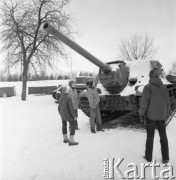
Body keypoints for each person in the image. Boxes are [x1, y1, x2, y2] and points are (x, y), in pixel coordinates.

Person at [139, 68, 170, 164]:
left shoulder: (148, 87)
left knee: (150, 137)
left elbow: (144, 103)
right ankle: (165, 158)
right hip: (161, 117)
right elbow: (168, 103)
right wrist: (166, 114)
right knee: (163, 137)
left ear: (150, 76)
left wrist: (141, 113)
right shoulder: (164, 87)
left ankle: (148, 157)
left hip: (150, 117)